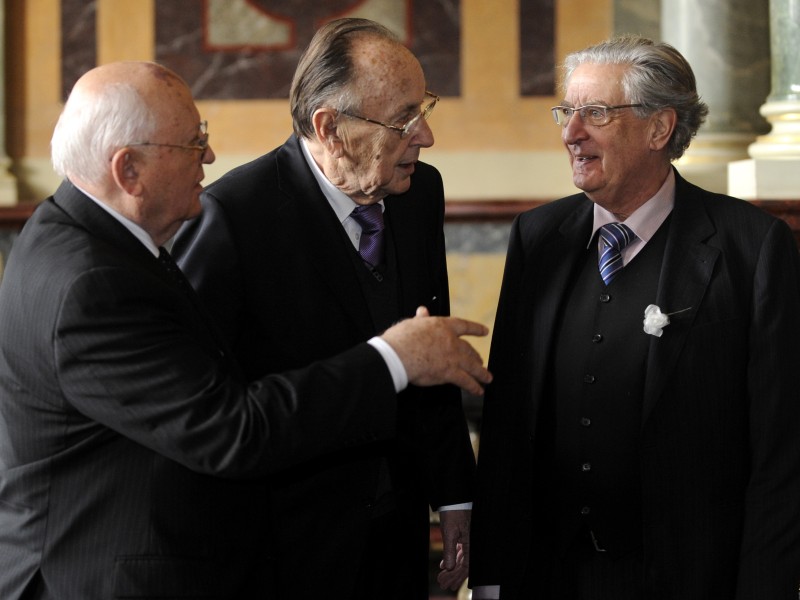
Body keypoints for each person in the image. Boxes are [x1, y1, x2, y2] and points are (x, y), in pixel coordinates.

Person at [0, 60, 493, 600]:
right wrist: (395, 358)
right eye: (192, 144)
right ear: (129, 171)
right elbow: (231, 429)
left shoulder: (81, 238)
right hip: (111, 576)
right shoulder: (92, 281)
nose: (208, 156)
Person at [469, 35, 800, 600]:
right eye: (567, 112)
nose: (571, 133)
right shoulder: (537, 237)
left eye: (596, 113)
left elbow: (782, 452)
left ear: (659, 128)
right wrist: (493, 575)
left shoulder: (752, 248)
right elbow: (508, 427)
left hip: (691, 577)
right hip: (551, 576)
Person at [172, 17, 474, 598]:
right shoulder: (232, 218)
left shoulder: (418, 193)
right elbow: (208, 414)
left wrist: (455, 495)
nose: (426, 136)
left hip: (398, 538)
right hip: (285, 549)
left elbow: (429, 352)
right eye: (404, 119)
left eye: (424, 108)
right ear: (330, 128)